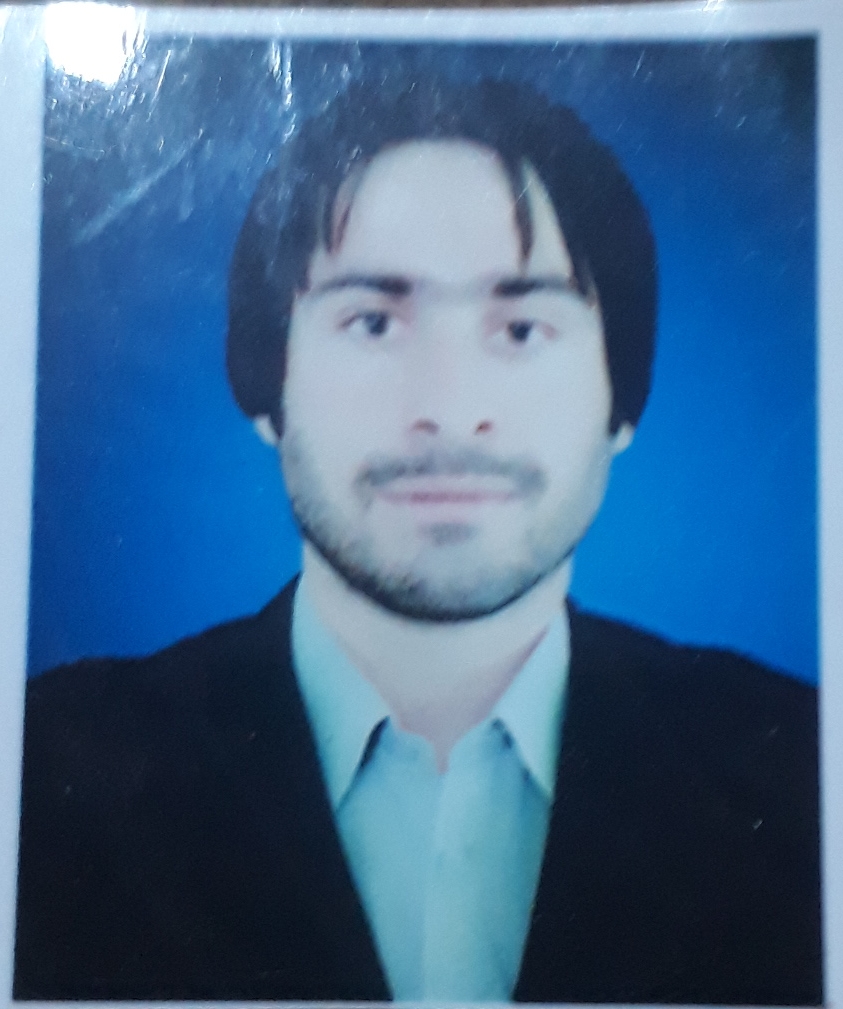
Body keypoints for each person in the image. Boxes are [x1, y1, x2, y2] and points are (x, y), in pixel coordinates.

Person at [14, 76, 821, 1004]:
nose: (446, 408)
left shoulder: (798, 768)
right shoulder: (45, 772)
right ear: (266, 384)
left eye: (520, 327)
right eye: (373, 322)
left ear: (620, 399)